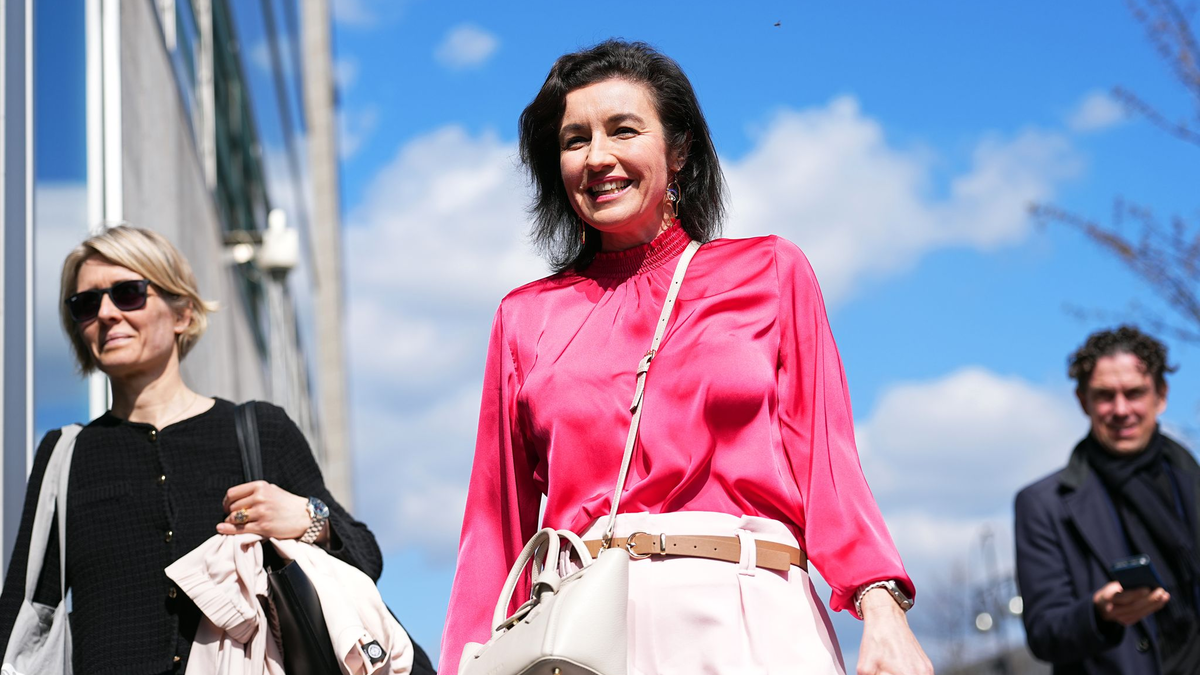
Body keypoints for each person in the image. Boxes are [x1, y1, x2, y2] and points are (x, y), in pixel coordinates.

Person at [440, 40, 931, 675]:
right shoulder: (524, 318)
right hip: (584, 635)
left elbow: (827, 464)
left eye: (623, 130)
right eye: (574, 140)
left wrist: (882, 608)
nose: (598, 157)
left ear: (679, 152)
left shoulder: (770, 271)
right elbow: (492, 525)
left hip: (754, 614)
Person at [0, 226, 384, 674]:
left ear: (181, 313)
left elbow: (366, 557)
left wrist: (307, 518)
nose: (105, 313)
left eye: (127, 293)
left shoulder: (261, 430)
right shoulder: (65, 455)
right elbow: (20, 614)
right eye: (86, 303)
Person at [1015, 326, 1198, 674]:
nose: (1121, 409)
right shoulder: (1042, 504)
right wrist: (1098, 613)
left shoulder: (1192, 482)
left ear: (1161, 395)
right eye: (1104, 395)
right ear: (1082, 400)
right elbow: (1043, 633)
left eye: (1134, 392)